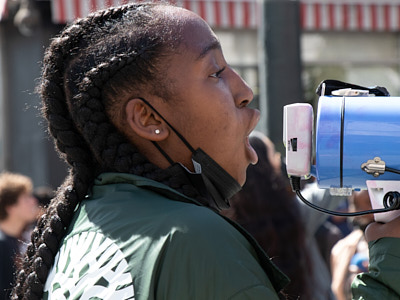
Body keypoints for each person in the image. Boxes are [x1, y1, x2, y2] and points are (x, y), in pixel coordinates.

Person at [11, 3, 400, 300]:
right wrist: (391, 266)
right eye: (215, 72)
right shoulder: (191, 239)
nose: (244, 90)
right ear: (148, 118)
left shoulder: (84, 226)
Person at [221, 132, 314, 299]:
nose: (279, 158)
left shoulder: (225, 221)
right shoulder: (294, 211)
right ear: (262, 164)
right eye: (273, 153)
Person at [0, 172, 38, 299]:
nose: (34, 201)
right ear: (10, 207)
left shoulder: (23, 238)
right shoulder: (2, 245)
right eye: (26, 198)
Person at [331, 191, 375, 300]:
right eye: (357, 205)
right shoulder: (342, 248)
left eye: (370, 204)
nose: (364, 212)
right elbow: (337, 290)